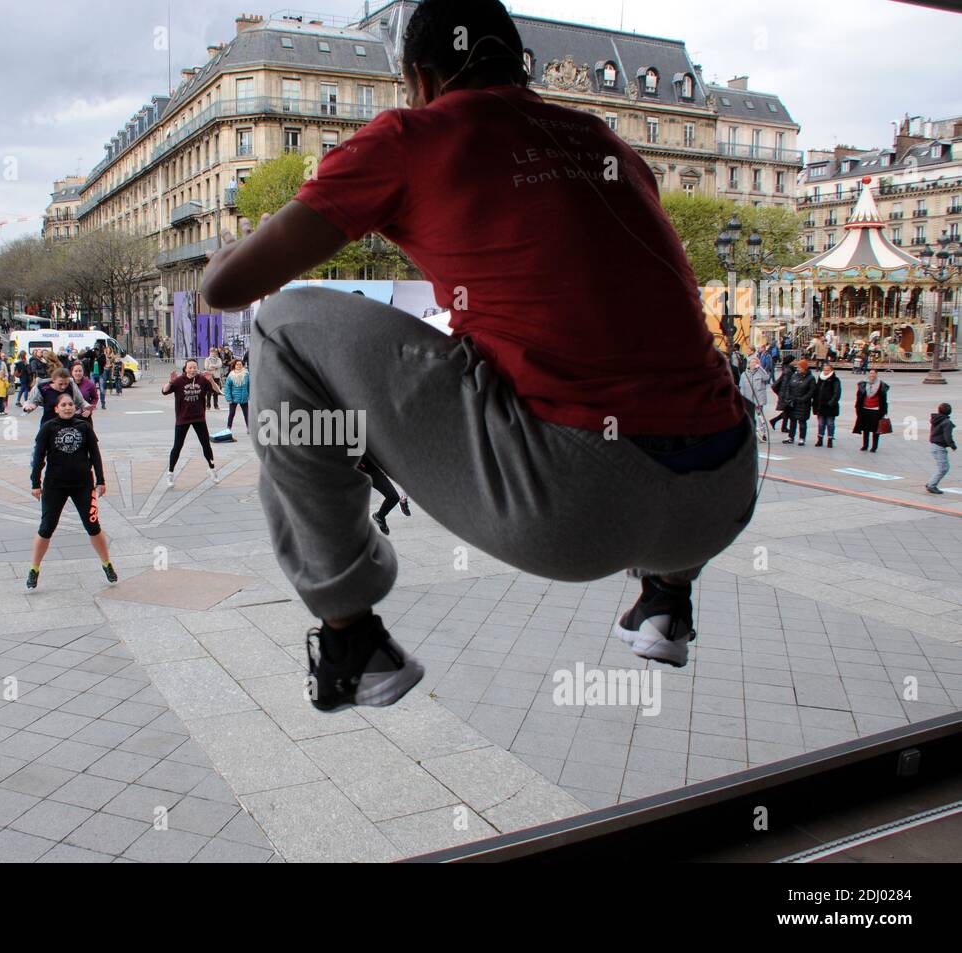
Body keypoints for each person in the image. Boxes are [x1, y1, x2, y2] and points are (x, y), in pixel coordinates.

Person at [198, 0, 758, 708]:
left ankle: (350, 639)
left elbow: (227, 287)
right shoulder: (605, 142)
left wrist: (236, 247)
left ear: (418, 78)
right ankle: (665, 602)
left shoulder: (410, 136)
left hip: (572, 504)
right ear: (516, 66)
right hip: (722, 495)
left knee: (281, 324)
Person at [26, 392, 117, 590]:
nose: (67, 407)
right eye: (63, 405)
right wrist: (35, 483)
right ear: (56, 408)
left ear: (74, 407)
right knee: (46, 527)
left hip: (83, 485)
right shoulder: (48, 428)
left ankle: (107, 563)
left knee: (93, 526)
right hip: (54, 486)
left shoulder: (84, 427)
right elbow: (39, 457)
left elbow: (95, 454)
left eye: (70, 404)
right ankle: (34, 568)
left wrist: (100, 480)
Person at [163, 359, 221, 487]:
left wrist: (211, 380)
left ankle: (212, 469)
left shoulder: (202, 379)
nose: (193, 370)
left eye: (194, 367)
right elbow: (164, 391)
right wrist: (170, 381)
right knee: (177, 447)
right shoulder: (179, 381)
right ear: (185, 368)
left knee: (206, 445)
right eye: (190, 367)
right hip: (182, 418)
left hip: (199, 418)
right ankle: (170, 473)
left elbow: (218, 391)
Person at [853, 368, 890, 453]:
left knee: (875, 429)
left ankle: (874, 447)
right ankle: (865, 445)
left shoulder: (882, 385)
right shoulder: (863, 384)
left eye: (873, 374)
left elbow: (884, 400)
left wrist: (884, 411)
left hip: (876, 410)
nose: (872, 375)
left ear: (876, 375)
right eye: (870, 373)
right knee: (865, 429)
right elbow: (859, 397)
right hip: (865, 409)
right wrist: (858, 408)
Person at [781, 358, 816, 446]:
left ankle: (802, 438)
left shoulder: (810, 378)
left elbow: (811, 391)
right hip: (793, 402)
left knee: (802, 422)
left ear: (804, 368)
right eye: (798, 367)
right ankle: (791, 437)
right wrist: (788, 396)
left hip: (803, 404)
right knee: (792, 421)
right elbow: (789, 386)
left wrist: (803, 399)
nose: (798, 369)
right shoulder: (794, 375)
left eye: (800, 367)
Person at [737, 354, 770, 444]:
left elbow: (767, 378)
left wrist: (760, 368)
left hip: (758, 399)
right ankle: (750, 434)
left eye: (755, 362)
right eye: (751, 362)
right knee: (749, 417)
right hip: (748, 398)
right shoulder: (744, 374)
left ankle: (762, 434)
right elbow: (742, 387)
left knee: (760, 417)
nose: (753, 364)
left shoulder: (761, 372)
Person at [926, 403, 956, 495]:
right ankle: (931, 485)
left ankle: (930, 483)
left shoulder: (937, 419)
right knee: (944, 468)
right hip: (939, 447)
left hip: (934, 445)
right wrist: (952, 445)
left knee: (942, 467)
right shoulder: (947, 422)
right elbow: (948, 436)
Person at [813, 361, 842, 449]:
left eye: (828, 370)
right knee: (821, 423)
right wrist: (816, 402)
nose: (826, 371)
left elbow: (837, 393)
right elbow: (816, 391)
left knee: (830, 423)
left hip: (830, 406)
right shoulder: (820, 379)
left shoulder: (835, 380)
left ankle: (830, 439)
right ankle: (820, 439)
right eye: (825, 370)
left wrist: (831, 403)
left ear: (831, 370)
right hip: (821, 405)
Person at [769, 355, 795, 431]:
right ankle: (778, 423)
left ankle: (779, 424)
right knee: (788, 410)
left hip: (784, 393)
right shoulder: (788, 371)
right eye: (793, 360)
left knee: (787, 411)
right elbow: (786, 385)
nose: (795, 362)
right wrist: (786, 396)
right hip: (786, 394)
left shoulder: (788, 369)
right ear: (790, 361)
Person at [223, 359, 250, 432]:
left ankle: (249, 428)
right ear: (234, 365)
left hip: (244, 397)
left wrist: (250, 395)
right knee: (231, 413)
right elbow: (227, 387)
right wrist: (228, 398)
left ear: (242, 365)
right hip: (233, 398)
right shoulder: (231, 375)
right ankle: (228, 428)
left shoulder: (246, 374)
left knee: (246, 414)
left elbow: (249, 385)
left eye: (240, 364)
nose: (239, 366)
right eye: (237, 364)